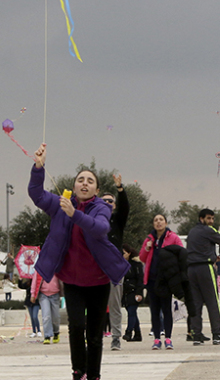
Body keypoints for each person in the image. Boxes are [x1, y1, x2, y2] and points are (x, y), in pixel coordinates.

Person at [28, 144, 129, 380]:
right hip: (72, 280)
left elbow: (101, 228)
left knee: (94, 334)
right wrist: (38, 167)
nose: (85, 183)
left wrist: (75, 213)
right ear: (74, 185)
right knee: (75, 327)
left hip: (98, 279)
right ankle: (78, 372)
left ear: (96, 188)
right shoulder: (60, 203)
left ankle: (93, 375)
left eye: (90, 181)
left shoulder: (100, 207)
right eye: (81, 179)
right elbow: (36, 193)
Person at [139, 214, 184, 350]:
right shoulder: (149, 238)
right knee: (154, 310)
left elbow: (182, 253)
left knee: (166, 310)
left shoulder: (173, 237)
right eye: (155, 220)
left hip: (166, 280)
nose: (158, 222)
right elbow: (142, 257)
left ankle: (168, 338)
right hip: (152, 279)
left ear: (165, 222)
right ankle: (157, 339)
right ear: (153, 224)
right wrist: (147, 248)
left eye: (161, 220)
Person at [186, 208, 220, 345]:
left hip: (191, 269)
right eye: (209, 218)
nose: (211, 221)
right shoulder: (209, 230)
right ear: (201, 218)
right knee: (212, 302)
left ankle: (196, 335)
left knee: (196, 303)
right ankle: (216, 334)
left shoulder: (191, 232)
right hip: (205, 267)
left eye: (212, 219)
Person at [102, 177, 129, 351]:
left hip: (115, 268)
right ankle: (94, 335)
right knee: (95, 303)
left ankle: (116, 337)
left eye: (110, 201)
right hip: (97, 266)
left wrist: (120, 188)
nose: (107, 203)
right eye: (103, 201)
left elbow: (125, 207)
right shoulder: (94, 220)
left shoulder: (117, 221)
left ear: (115, 205)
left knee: (115, 304)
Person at [121, 244, 144, 342]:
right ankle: (138, 334)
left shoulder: (135, 264)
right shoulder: (120, 264)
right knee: (132, 313)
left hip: (134, 292)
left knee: (131, 312)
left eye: (124, 253)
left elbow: (140, 279)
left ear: (129, 253)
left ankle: (128, 332)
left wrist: (139, 292)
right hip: (124, 292)